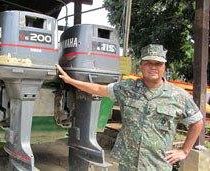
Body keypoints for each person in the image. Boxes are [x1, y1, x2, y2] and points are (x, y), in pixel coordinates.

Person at [56, 44, 203, 170]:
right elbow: (98, 89)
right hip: (128, 163)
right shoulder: (126, 88)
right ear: (141, 65)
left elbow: (197, 122)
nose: (153, 67)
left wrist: (184, 150)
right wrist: (71, 81)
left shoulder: (178, 95)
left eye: (158, 64)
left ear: (164, 67)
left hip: (158, 164)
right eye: (148, 63)